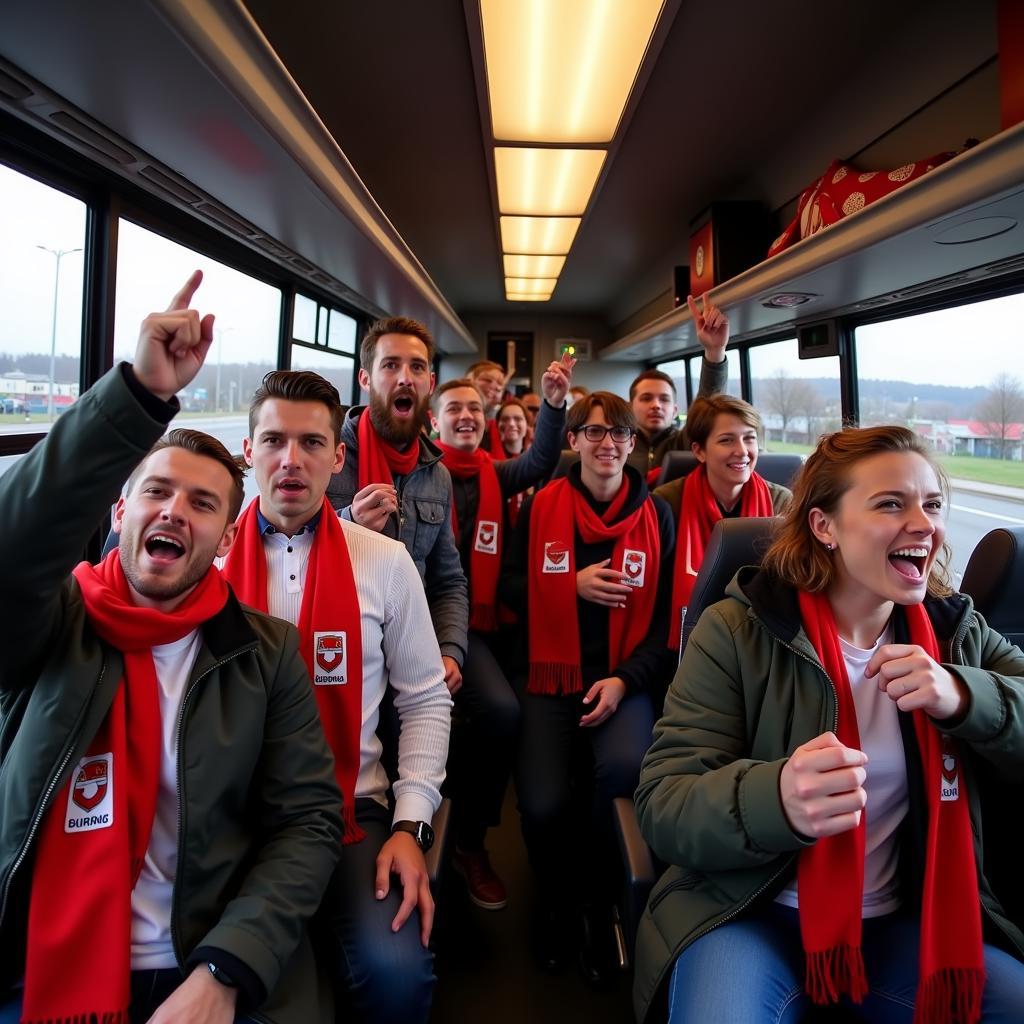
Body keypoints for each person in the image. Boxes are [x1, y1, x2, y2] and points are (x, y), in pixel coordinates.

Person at [0, 272, 343, 1024]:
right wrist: (137, 395)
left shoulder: (262, 653)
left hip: (208, 957)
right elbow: (14, 550)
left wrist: (225, 969)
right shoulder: (48, 626)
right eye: (156, 492)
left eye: (202, 502)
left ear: (226, 539)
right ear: (120, 509)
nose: (174, 511)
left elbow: (307, 823)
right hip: (37, 964)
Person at [634, 425, 1024, 1024]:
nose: (924, 524)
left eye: (933, 504)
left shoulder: (955, 635)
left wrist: (965, 695)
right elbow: (664, 803)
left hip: (904, 921)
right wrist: (778, 799)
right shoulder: (737, 630)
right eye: (892, 503)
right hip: (746, 913)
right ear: (824, 527)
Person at [221, 370, 452, 1024]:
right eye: (273, 441)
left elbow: (426, 703)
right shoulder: (207, 564)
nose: (290, 460)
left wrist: (411, 822)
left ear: (338, 455)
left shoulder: (383, 560)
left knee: (396, 977)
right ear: (248, 451)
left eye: (311, 443)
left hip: (353, 804)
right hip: (232, 810)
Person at [504, 391, 675, 984]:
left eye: (619, 434)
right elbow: (507, 594)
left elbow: (664, 629)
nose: (608, 444)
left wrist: (625, 681)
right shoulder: (541, 506)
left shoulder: (659, 516)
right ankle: (555, 900)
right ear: (572, 441)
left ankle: (603, 898)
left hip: (620, 679)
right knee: (544, 802)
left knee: (625, 771)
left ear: (633, 444)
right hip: (549, 680)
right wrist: (565, 586)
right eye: (594, 432)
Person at [429, 354, 572, 911]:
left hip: (477, 625)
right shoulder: (415, 473)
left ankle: (469, 839)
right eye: (453, 409)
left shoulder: (495, 471)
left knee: (502, 711)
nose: (465, 415)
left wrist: (554, 406)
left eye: (473, 408)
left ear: (485, 417)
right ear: (433, 422)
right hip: (415, 621)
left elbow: (540, 460)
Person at [325, 317, 468, 697]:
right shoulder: (327, 456)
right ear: (365, 379)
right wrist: (349, 522)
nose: (405, 377)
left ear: (430, 385)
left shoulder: (437, 475)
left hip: (412, 639)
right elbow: (288, 547)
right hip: (339, 640)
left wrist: (450, 649)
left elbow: (449, 580)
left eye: (417, 367)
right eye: (390, 365)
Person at [655, 394, 792, 649]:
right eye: (727, 440)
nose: (742, 451)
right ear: (699, 451)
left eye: (749, 438)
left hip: (759, 635)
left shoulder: (781, 502)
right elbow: (656, 592)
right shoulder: (668, 502)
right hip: (687, 634)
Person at [627, 294, 731, 481]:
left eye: (664, 399)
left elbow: (707, 404)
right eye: (646, 398)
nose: (656, 405)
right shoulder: (617, 445)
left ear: (675, 410)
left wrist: (714, 352)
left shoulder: (686, 444)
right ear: (630, 407)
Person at [466, 360, 509, 457]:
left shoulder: (500, 425)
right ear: (468, 382)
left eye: (501, 384)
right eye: (487, 380)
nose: (498, 388)